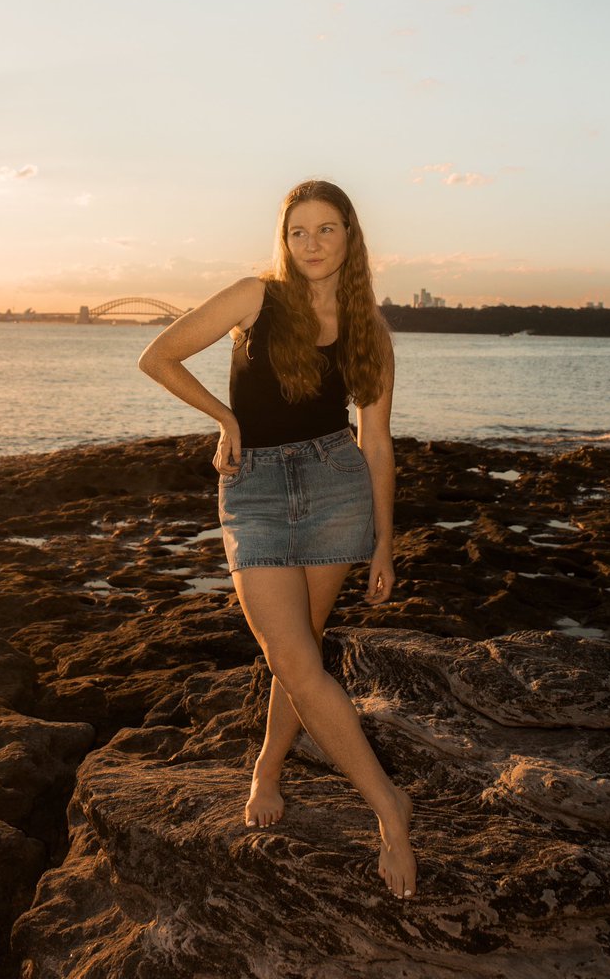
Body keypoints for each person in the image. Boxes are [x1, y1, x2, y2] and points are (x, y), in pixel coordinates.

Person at [137, 178, 417, 900]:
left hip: (334, 484)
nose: (312, 244)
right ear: (283, 239)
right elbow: (159, 356)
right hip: (255, 489)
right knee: (291, 656)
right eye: (299, 231)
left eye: (327, 230)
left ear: (350, 237)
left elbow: (377, 442)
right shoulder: (255, 298)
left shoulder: (370, 329)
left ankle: (267, 767)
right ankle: (389, 806)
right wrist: (226, 421)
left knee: (303, 656)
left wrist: (385, 544)